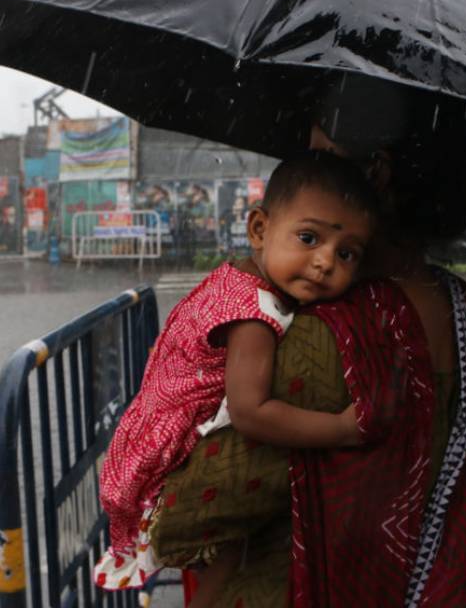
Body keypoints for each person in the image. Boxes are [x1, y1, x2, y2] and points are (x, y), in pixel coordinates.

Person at [144, 124, 466, 607]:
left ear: (375, 173)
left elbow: (190, 518)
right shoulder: (462, 307)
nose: (306, 160)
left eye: (321, 151)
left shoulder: (337, 332)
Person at [95, 151, 379, 593]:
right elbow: (251, 412)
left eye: (346, 253)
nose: (325, 262)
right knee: (222, 561)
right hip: (171, 454)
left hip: (152, 431)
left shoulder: (240, 278)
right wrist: (341, 429)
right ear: (259, 229)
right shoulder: (254, 314)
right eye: (308, 238)